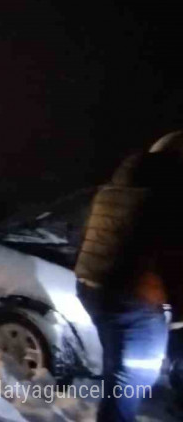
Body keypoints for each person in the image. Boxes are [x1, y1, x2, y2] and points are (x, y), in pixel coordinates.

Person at [75, 131, 183, 422]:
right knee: (133, 376)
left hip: (91, 287)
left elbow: (88, 238)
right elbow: (171, 258)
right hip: (131, 299)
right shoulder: (166, 197)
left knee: (119, 367)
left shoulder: (115, 189)